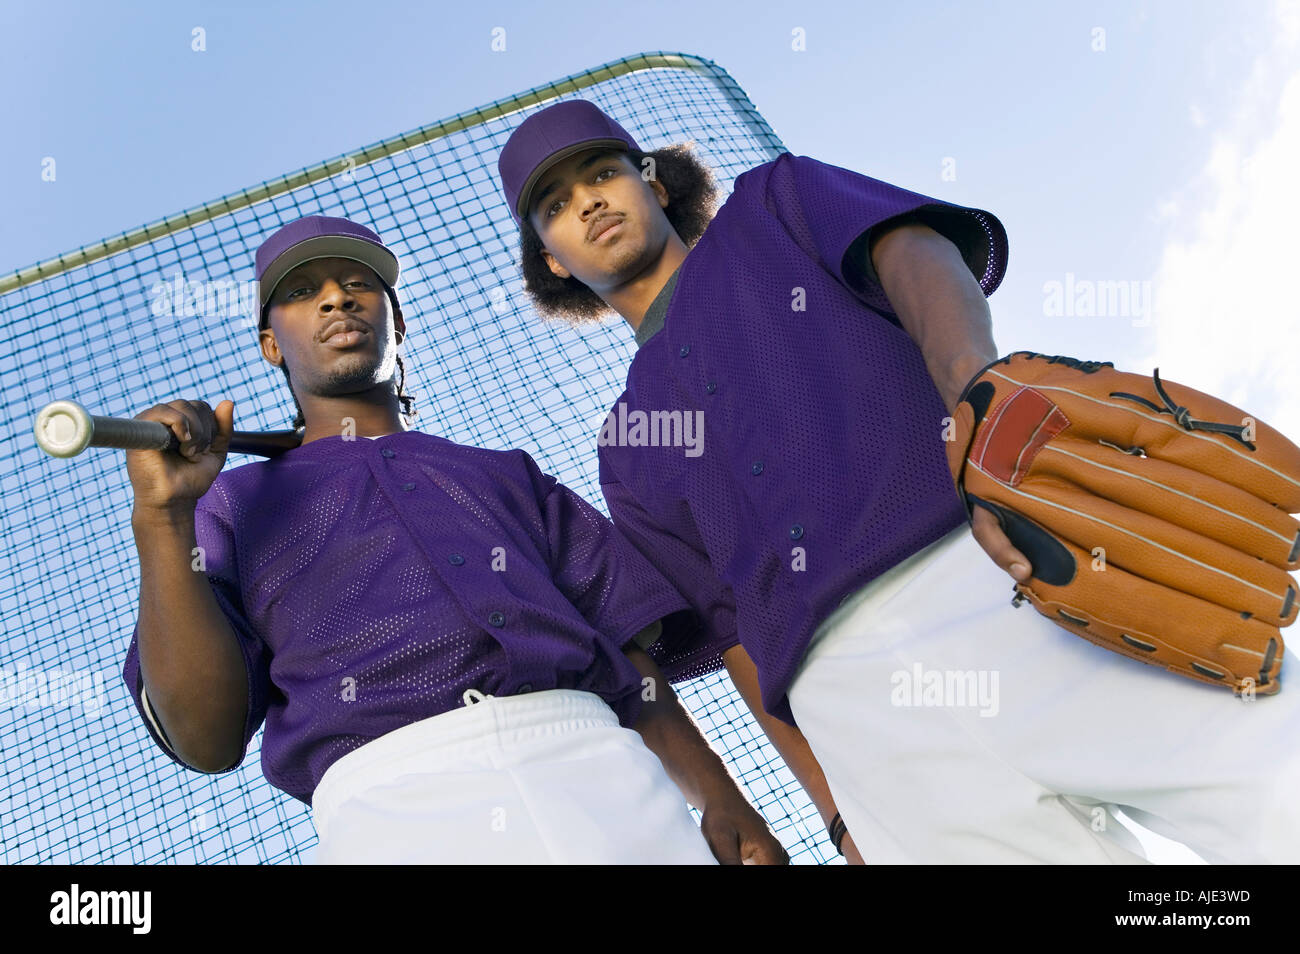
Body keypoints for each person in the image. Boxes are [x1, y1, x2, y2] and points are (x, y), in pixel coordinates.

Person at [495, 99, 1300, 864]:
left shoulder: (773, 203)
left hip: (1000, 569)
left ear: (655, 180)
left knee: (1274, 788)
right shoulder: (623, 443)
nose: (590, 203)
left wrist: (974, 395)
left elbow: (910, 246)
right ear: (551, 260)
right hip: (846, 704)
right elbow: (728, 629)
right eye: (558, 206)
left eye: (602, 173)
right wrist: (834, 805)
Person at [120, 214, 788, 865]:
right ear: (271, 344)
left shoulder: (508, 475)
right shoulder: (229, 505)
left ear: (397, 320)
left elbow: (630, 659)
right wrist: (161, 517)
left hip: (600, 765)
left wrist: (723, 800)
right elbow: (206, 741)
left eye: (358, 283)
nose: (335, 298)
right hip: (387, 804)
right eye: (301, 292)